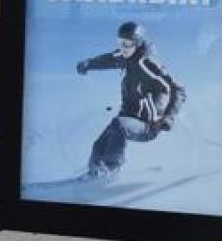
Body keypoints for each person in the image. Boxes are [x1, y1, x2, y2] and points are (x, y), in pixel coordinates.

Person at [76, 21, 186, 181]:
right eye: (120, 43)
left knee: (118, 125)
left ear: (138, 43)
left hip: (149, 124)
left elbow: (178, 90)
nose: (122, 48)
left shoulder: (147, 64)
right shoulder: (124, 56)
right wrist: (88, 64)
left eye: (127, 44)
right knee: (99, 144)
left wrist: (168, 117)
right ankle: (94, 172)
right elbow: (108, 59)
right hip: (129, 118)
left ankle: (110, 170)